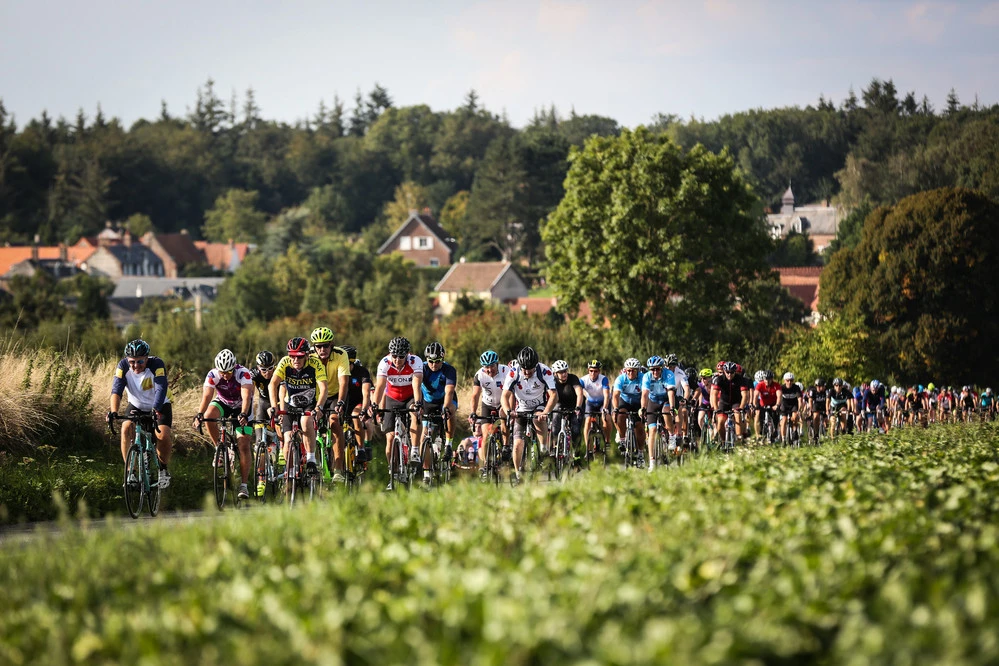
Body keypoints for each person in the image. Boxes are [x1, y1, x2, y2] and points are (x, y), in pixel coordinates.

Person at [108, 339, 174, 488]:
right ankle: (131, 472)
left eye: (140, 362)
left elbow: (161, 387)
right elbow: (116, 391)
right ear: (127, 359)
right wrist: (113, 411)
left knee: (162, 435)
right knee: (125, 429)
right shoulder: (122, 366)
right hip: (136, 405)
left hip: (159, 405)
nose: (136, 366)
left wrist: (156, 408)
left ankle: (163, 470)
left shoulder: (157, 364)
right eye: (132, 362)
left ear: (147, 358)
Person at [193, 349, 255, 499]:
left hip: (242, 406)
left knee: (244, 445)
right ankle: (219, 449)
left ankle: (244, 486)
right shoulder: (213, 375)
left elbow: (246, 397)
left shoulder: (243, 373)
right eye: (222, 372)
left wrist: (244, 414)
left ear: (234, 367)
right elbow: (207, 396)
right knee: (209, 416)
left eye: (228, 372)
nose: (225, 375)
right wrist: (199, 415)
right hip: (223, 402)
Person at [268, 337, 328, 477]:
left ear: (307, 355)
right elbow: (272, 384)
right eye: (292, 356)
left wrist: (319, 407)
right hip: (291, 404)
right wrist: (273, 407)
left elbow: (324, 388)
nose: (295, 360)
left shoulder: (315, 363)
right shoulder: (284, 362)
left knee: (305, 422)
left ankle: (311, 459)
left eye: (299, 356)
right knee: (288, 440)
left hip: (309, 403)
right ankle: (289, 475)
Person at [373, 336, 424, 489]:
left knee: (415, 413)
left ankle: (414, 450)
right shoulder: (385, 362)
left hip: (409, 397)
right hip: (392, 397)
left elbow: (416, 384)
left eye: (401, 356)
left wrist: (418, 403)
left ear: (407, 354)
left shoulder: (415, 361)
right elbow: (380, 386)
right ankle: (392, 474)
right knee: (389, 439)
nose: (397, 359)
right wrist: (375, 405)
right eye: (394, 356)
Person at [501, 346, 557, 484]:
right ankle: (519, 474)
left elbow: (554, 395)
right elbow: (504, 395)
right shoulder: (514, 373)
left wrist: (546, 412)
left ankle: (543, 448)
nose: (526, 372)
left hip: (539, 405)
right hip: (521, 407)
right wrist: (509, 410)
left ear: (536, 365)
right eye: (524, 369)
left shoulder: (545, 371)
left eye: (530, 369)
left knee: (539, 418)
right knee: (517, 444)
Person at [310, 327, 350, 483]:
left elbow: (344, 382)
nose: (322, 349)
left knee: (334, 422)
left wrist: (340, 402)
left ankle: (338, 469)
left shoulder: (341, 354)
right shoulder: (309, 356)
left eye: (325, 345)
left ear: (331, 345)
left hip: (334, 395)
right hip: (315, 397)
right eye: (318, 346)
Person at [418, 341, 458, 484]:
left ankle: (448, 444)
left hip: (445, 399)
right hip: (428, 402)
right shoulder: (421, 368)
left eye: (437, 361)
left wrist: (445, 408)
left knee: (450, 411)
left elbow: (449, 391)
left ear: (442, 359)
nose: (434, 364)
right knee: (424, 437)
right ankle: (427, 474)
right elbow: (415, 387)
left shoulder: (449, 370)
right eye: (431, 361)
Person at [468, 350, 509, 475]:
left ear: (497, 364)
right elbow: (475, 395)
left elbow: (512, 393)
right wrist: (473, 412)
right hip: (488, 404)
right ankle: (485, 465)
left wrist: (508, 408)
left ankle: (506, 447)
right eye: (486, 367)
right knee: (485, 435)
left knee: (503, 425)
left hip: (503, 403)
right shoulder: (479, 375)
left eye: (492, 366)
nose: (489, 369)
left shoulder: (506, 372)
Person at [641, 355, 676, 471]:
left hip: (666, 399)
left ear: (662, 368)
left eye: (657, 369)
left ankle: (671, 436)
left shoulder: (669, 374)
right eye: (652, 369)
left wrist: (672, 407)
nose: (655, 371)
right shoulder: (646, 376)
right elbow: (645, 394)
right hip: (653, 401)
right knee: (652, 430)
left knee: (666, 411)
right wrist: (643, 408)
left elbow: (671, 392)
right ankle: (652, 462)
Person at [339, 345, 373, 461]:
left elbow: (366, 393)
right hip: (343, 402)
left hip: (358, 402)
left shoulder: (362, 372)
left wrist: (364, 410)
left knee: (355, 416)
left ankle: (361, 448)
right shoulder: (338, 371)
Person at [547, 360, 584, 461]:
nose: (564, 374)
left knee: (575, 430)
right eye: (561, 372)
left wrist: (578, 407)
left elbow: (579, 394)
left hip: (574, 405)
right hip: (559, 405)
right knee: (554, 428)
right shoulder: (552, 381)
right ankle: (555, 449)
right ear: (555, 374)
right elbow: (550, 396)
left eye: (565, 371)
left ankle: (577, 455)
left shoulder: (573, 378)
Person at [612, 358, 646, 462]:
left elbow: (645, 394)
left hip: (638, 402)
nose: (630, 373)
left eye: (633, 370)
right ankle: (622, 440)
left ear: (638, 370)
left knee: (640, 427)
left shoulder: (643, 378)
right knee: (620, 415)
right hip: (625, 401)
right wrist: (616, 409)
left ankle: (640, 453)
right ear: (625, 370)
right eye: (628, 370)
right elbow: (616, 395)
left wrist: (643, 409)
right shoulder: (621, 379)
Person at [710, 361, 748, 446]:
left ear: (735, 372)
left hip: (736, 402)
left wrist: (741, 408)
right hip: (724, 402)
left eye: (732, 373)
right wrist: (716, 409)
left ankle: (738, 438)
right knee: (720, 423)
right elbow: (714, 395)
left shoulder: (741, 380)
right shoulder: (719, 379)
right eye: (727, 372)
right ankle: (723, 442)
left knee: (737, 415)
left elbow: (745, 395)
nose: (729, 375)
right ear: (724, 371)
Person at [579, 359, 612, 456]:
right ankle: (588, 449)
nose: (593, 373)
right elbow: (580, 393)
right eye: (591, 371)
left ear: (599, 371)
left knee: (606, 418)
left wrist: (605, 408)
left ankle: (607, 441)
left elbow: (606, 396)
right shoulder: (583, 380)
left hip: (603, 402)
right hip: (591, 402)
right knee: (587, 422)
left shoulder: (603, 379)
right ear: (588, 370)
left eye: (596, 371)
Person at [776, 372, 803, 444]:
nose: (789, 382)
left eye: (791, 380)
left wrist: (799, 410)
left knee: (794, 418)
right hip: (784, 405)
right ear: (785, 381)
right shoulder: (782, 388)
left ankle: (794, 431)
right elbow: (779, 397)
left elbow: (799, 399)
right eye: (787, 380)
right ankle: (783, 439)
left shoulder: (796, 388)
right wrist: (777, 406)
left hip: (794, 405)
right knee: (784, 420)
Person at [806, 378, 830, 443]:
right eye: (823, 386)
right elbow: (810, 400)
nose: (824, 387)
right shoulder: (812, 391)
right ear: (818, 386)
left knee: (827, 420)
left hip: (824, 406)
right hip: (816, 406)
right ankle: (816, 434)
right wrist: (810, 409)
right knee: (816, 417)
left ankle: (827, 433)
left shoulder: (826, 391)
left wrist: (828, 409)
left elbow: (828, 400)